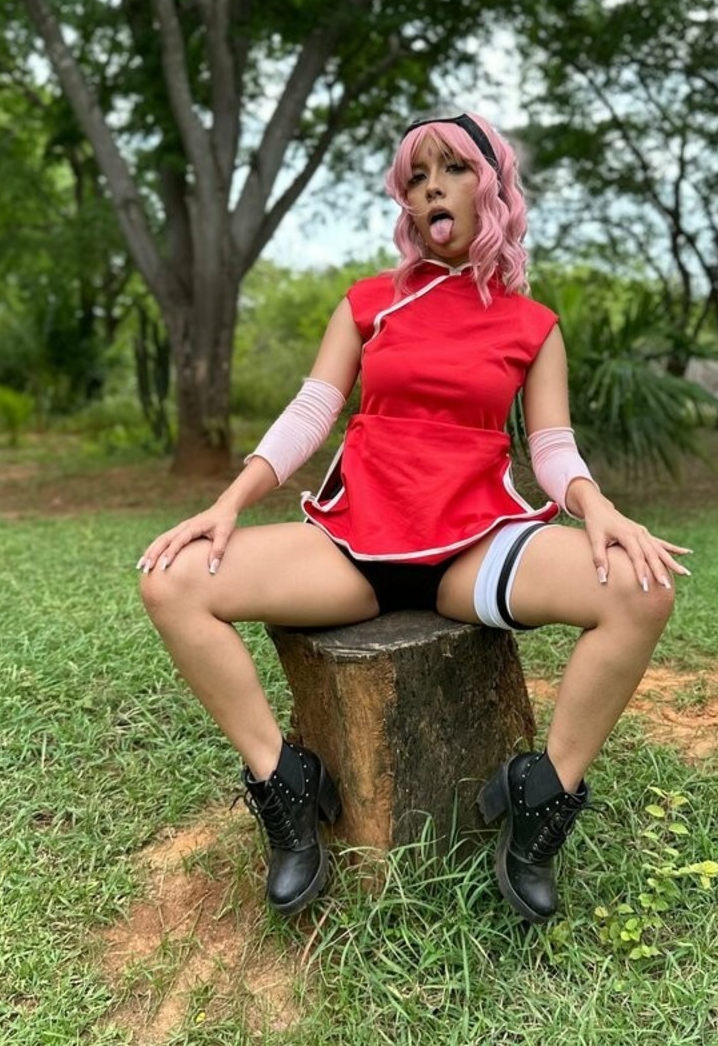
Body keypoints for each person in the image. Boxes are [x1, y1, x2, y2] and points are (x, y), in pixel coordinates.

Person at [138, 112, 690, 925]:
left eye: (453, 169)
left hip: (473, 549)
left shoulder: (531, 324)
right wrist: (228, 502)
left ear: (491, 187)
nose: (433, 187)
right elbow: (310, 411)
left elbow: (552, 445)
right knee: (172, 580)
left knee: (643, 591)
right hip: (353, 546)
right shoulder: (370, 303)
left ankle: (543, 794)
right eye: (418, 175)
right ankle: (284, 782)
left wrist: (597, 506)